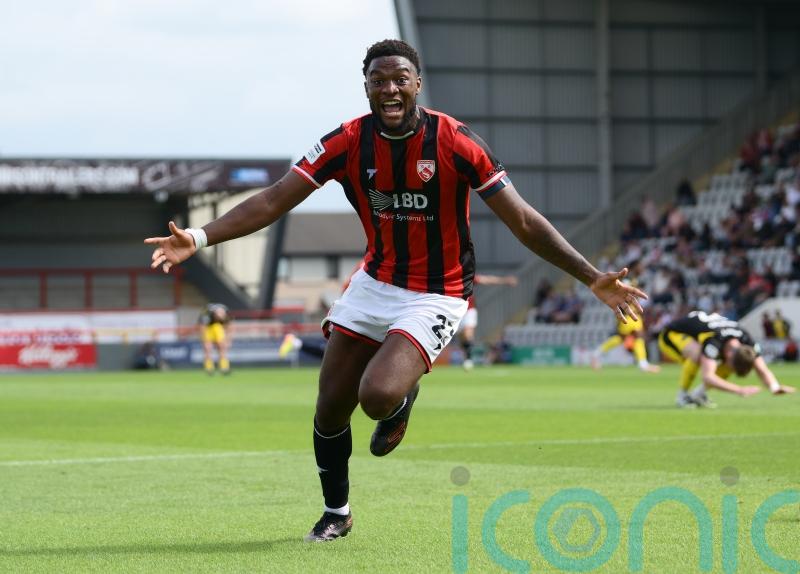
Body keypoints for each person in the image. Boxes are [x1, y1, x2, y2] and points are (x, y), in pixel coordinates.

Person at [145, 39, 647, 543]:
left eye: (399, 79)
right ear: (366, 86)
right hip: (375, 281)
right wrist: (201, 236)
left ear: (417, 84)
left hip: (439, 290)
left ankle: (402, 398)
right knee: (329, 407)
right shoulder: (345, 142)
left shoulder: (455, 141)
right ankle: (336, 513)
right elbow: (275, 199)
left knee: (377, 395)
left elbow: (521, 219)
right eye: (379, 80)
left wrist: (588, 275)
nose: (389, 88)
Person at [658, 310, 795, 408]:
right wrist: (739, 390)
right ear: (729, 355)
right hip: (670, 335)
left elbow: (761, 368)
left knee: (712, 361)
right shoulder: (715, 340)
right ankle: (683, 396)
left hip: (698, 334)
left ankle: (698, 395)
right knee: (698, 354)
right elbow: (708, 377)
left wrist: (774, 387)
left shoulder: (747, 341)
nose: (728, 372)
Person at [459, 273, 518, 370]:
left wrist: (505, 280)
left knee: (467, 333)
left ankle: (468, 360)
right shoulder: (448, 278)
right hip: (455, 310)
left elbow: (486, 279)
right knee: (462, 337)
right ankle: (466, 358)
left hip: (469, 310)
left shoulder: (467, 276)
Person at [591, 314, 660, 373]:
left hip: (631, 318)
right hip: (629, 318)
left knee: (634, 341)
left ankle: (596, 354)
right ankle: (643, 364)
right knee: (630, 340)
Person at [198, 303, 231, 375]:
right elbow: (202, 327)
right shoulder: (207, 315)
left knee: (222, 347)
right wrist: (204, 339)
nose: (220, 318)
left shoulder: (226, 314)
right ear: (215, 314)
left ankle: (224, 367)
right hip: (208, 328)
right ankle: (209, 368)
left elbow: (228, 327)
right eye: (219, 316)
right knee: (207, 348)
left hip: (217, 327)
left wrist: (228, 340)